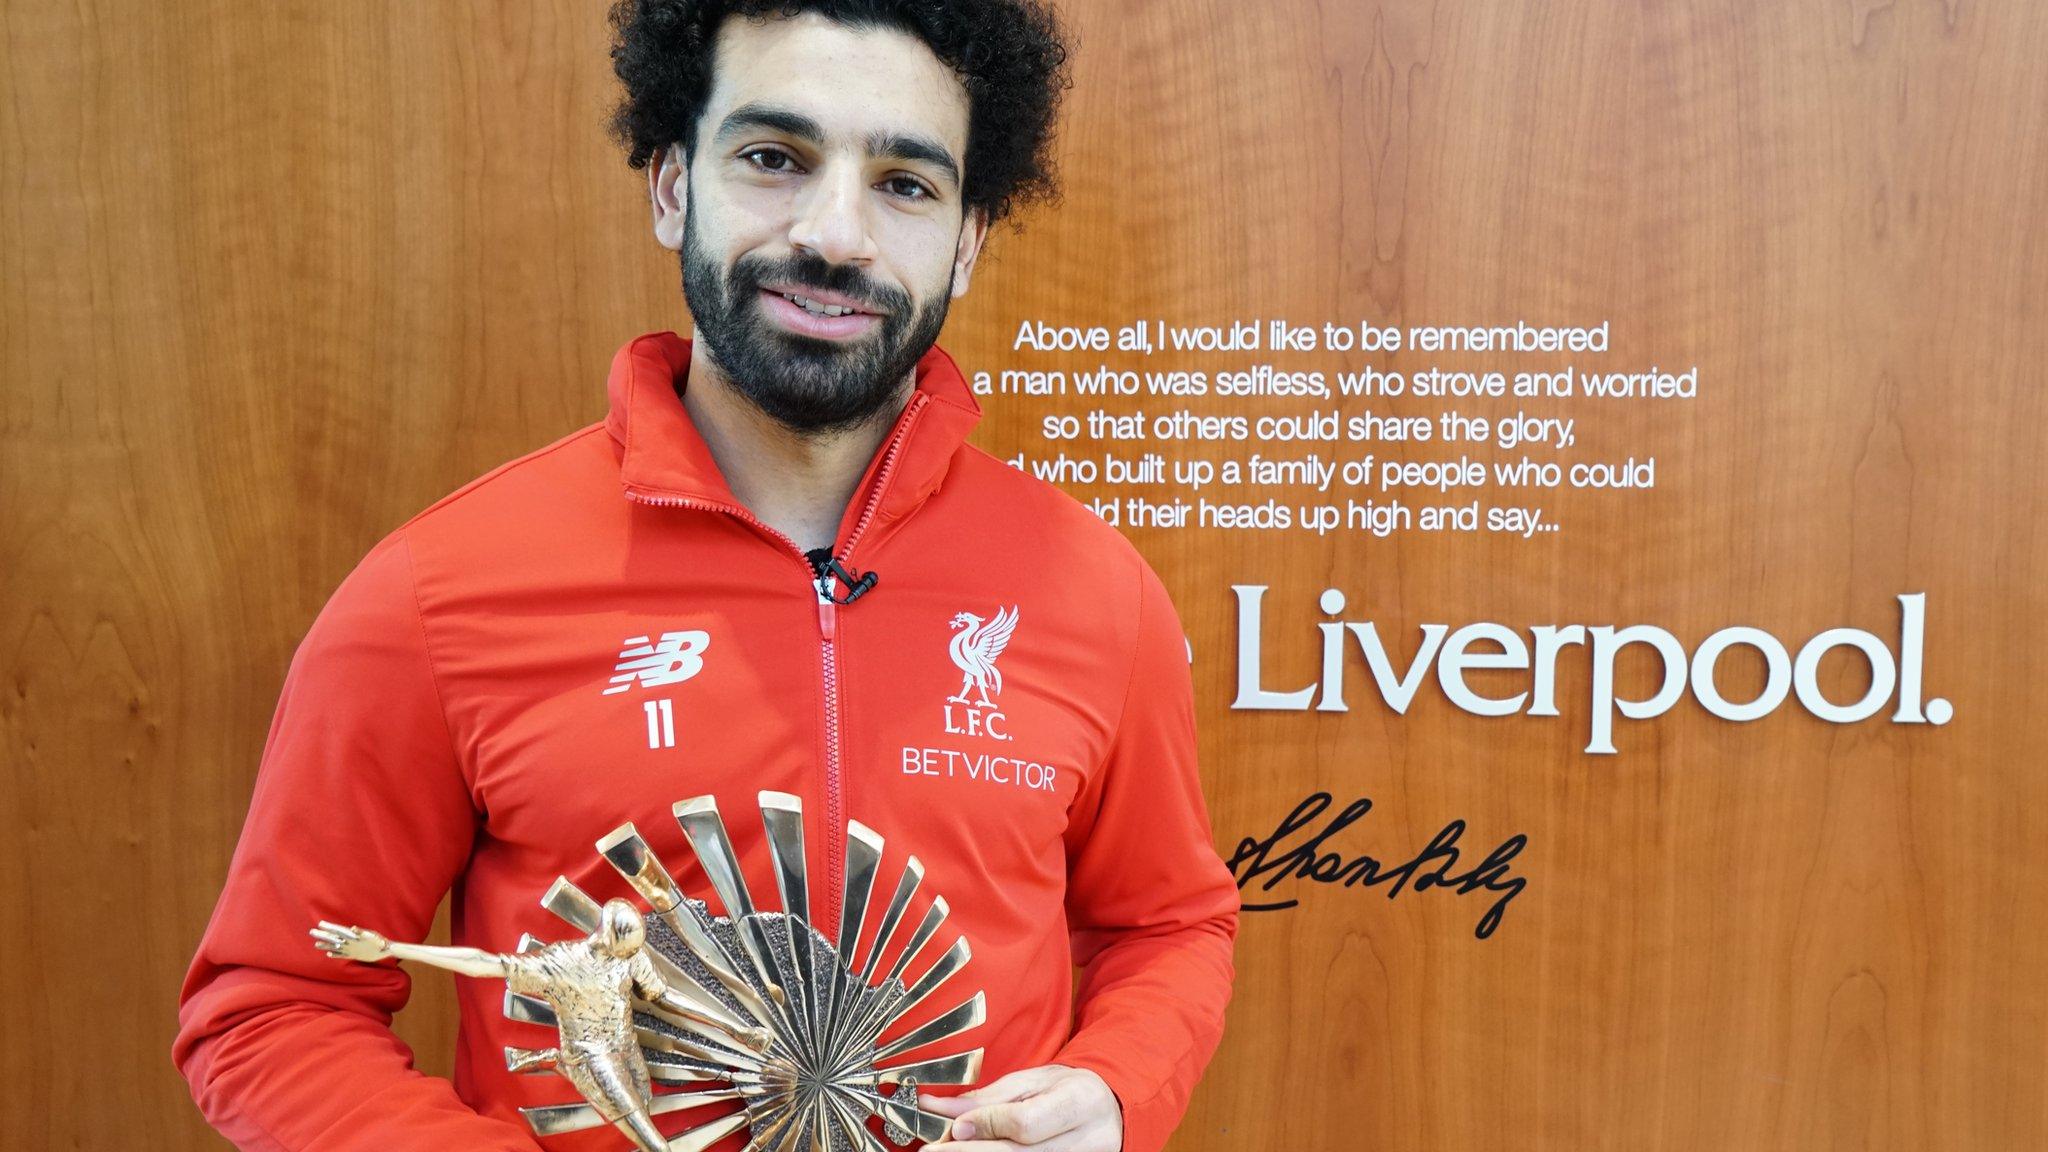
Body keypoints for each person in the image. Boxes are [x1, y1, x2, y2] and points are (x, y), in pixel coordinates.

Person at [173, 2, 1240, 1151]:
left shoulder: (1095, 591)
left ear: (968, 239)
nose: (835, 235)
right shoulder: (437, 592)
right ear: (674, 186)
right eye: (773, 159)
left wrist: (1116, 1090)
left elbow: (1168, 924)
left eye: (905, 184)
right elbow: (274, 1005)